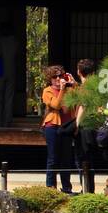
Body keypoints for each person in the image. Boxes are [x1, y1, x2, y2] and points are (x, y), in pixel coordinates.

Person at [41, 64, 76, 193]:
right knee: (53, 158)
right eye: (54, 77)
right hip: (52, 126)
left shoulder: (70, 90)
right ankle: (50, 189)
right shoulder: (47, 91)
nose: (57, 79)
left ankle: (67, 188)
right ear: (50, 79)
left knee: (66, 158)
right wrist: (62, 89)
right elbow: (55, 105)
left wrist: (74, 84)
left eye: (60, 76)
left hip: (67, 126)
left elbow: (81, 99)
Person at [74, 58, 98, 188]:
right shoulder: (95, 88)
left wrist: (76, 124)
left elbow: (83, 106)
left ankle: (86, 189)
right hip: (94, 124)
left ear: (79, 71)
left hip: (84, 126)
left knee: (83, 159)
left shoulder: (85, 88)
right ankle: (89, 189)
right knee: (90, 158)